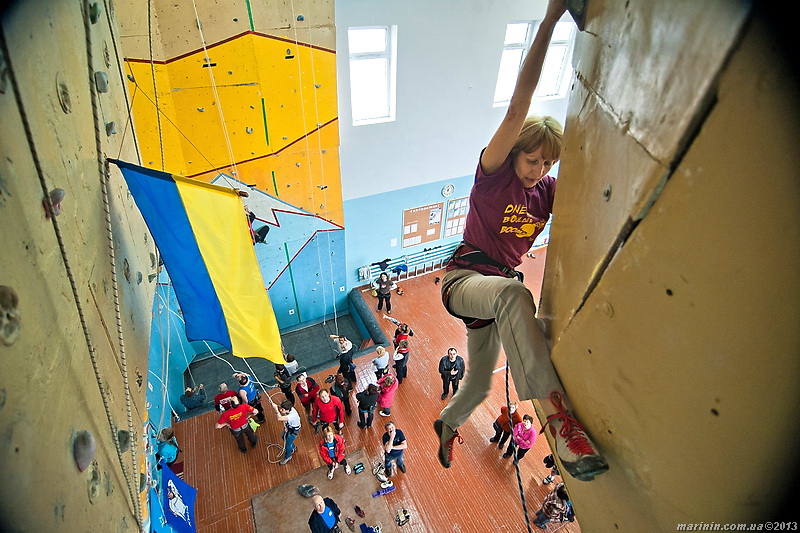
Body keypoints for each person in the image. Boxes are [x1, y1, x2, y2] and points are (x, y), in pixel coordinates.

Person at [433, 0, 608, 482]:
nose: (538, 172)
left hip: (491, 294)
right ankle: (556, 415)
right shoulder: (493, 173)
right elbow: (518, 106)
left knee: (479, 387)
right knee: (514, 292)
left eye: (546, 165)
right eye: (532, 161)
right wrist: (551, 20)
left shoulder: (546, 192)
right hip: (465, 280)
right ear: (516, 154)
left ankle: (446, 423)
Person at [271, 399, 301, 465]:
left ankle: (288, 456)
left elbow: (279, 418)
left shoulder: (292, 415)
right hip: (289, 427)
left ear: (287, 410)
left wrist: (276, 409)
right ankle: (293, 447)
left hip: (293, 430)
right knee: (283, 436)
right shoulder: (290, 409)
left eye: (282, 409)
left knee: (287, 443)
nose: (281, 410)